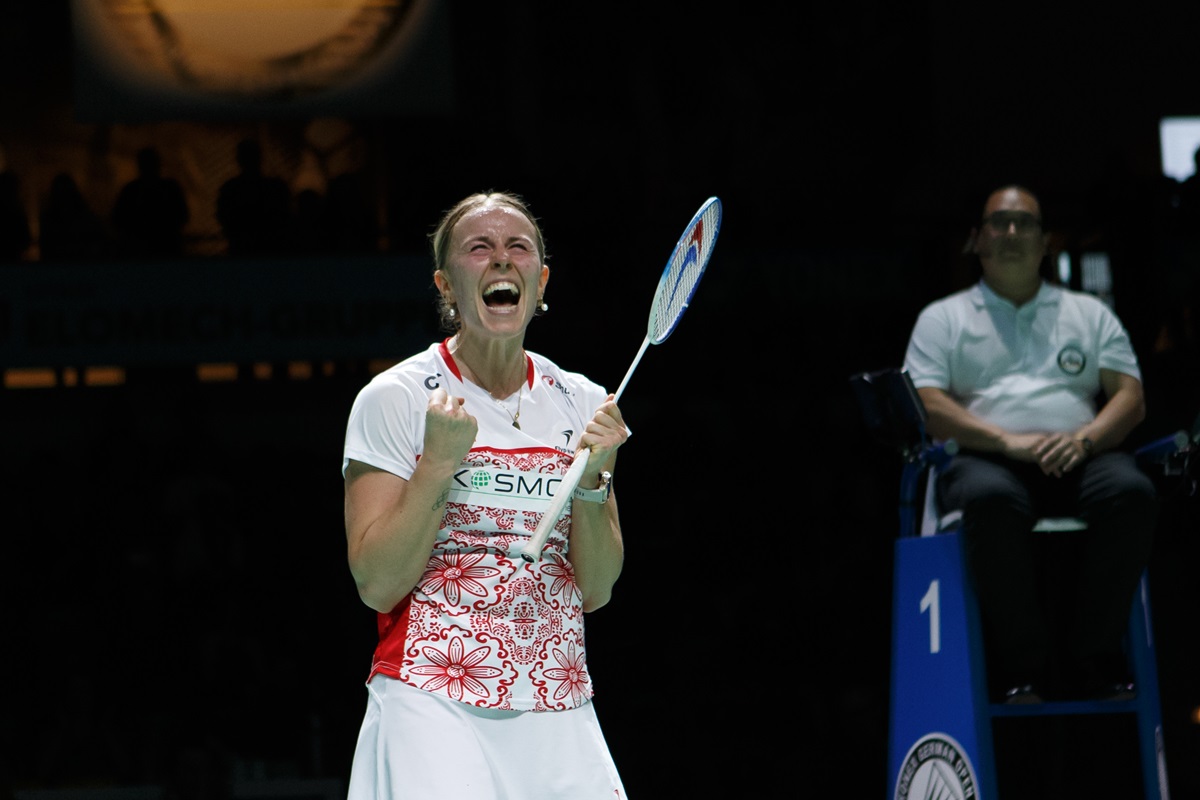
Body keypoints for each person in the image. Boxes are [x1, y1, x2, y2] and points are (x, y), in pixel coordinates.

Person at [340, 191, 629, 799]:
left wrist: (595, 480)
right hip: (431, 693)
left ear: (541, 278)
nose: (501, 259)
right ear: (446, 285)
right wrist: (438, 464)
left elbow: (596, 590)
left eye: (517, 247)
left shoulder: (581, 400)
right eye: (480, 248)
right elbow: (378, 583)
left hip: (556, 694)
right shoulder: (395, 397)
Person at [903, 183, 1159, 705]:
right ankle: (1021, 666)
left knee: (1132, 491)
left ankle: (1094, 656)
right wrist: (1007, 441)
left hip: (1079, 458)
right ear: (977, 240)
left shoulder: (1089, 314)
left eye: (1026, 224)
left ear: (1048, 243)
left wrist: (1086, 441)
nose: (1012, 232)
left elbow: (1130, 399)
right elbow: (926, 405)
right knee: (989, 499)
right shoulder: (943, 317)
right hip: (988, 463)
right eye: (999, 222)